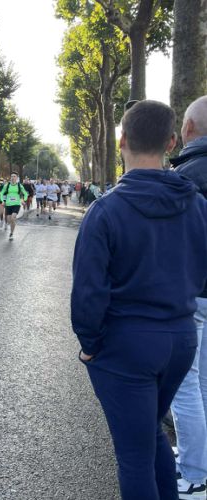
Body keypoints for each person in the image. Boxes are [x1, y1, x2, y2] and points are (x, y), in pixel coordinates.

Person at [71, 100, 207, 500]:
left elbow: (88, 292)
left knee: (133, 457)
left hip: (126, 345)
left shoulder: (105, 211)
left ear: (122, 140)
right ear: (171, 141)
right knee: (150, 434)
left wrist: (89, 345)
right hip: (181, 338)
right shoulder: (197, 205)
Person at [169, 95, 207, 499]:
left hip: (193, 294)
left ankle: (195, 475)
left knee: (184, 383)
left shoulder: (187, 175)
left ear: (189, 129)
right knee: (204, 382)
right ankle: (200, 458)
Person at [0, 172, 28, 241]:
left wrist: (24, 200)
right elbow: (1, 193)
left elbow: (25, 193)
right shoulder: (7, 185)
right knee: (9, 220)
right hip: (8, 204)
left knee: (13, 218)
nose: (12, 178)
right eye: (12, 176)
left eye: (14, 176)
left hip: (16, 204)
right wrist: (2, 201)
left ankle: (11, 233)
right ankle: (11, 225)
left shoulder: (19, 185)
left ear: (17, 178)